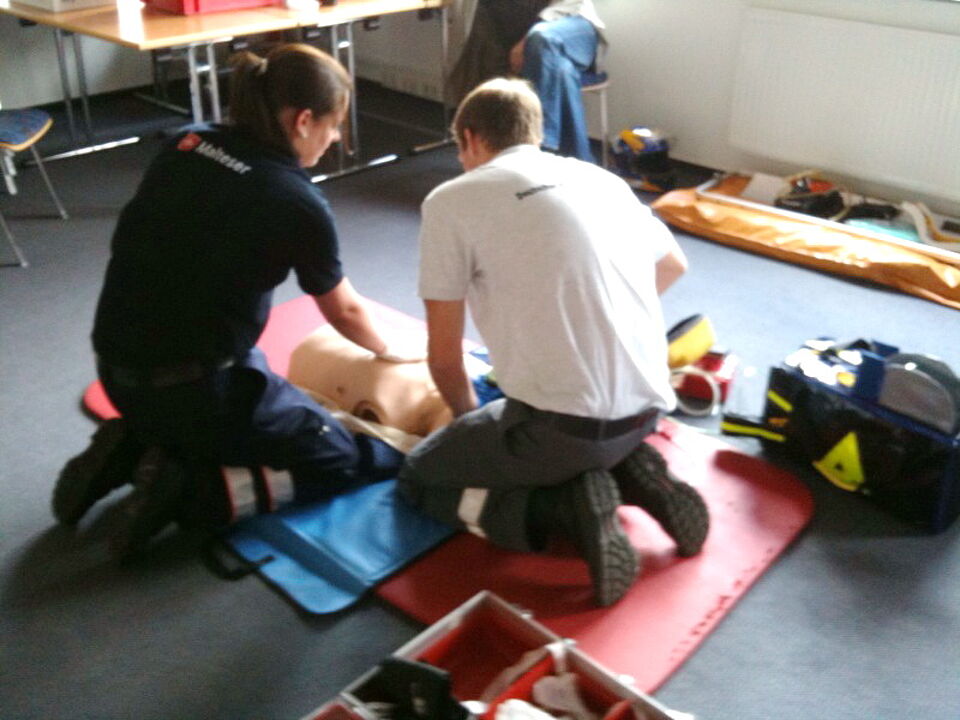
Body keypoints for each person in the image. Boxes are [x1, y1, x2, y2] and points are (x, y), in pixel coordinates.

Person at [52, 44, 421, 561]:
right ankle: (192, 489)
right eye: (334, 125)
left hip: (115, 370)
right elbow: (344, 310)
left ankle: (135, 443)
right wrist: (392, 350)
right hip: (197, 393)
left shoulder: (188, 141)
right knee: (343, 456)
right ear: (303, 120)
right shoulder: (294, 199)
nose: (336, 138)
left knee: (240, 367)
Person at [398, 78, 709, 607]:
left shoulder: (450, 201)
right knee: (569, 436)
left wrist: (471, 423)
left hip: (561, 434)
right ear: (535, 134)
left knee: (420, 478)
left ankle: (562, 510)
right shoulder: (601, 178)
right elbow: (673, 265)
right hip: (645, 415)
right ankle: (631, 476)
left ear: (470, 138)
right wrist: (596, 316)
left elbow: (445, 358)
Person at [446, 0, 606, 163]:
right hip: (539, 55)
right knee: (563, 71)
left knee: (541, 38)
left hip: (574, 22)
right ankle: (580, 160)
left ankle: (541, 142)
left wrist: (525, 43)